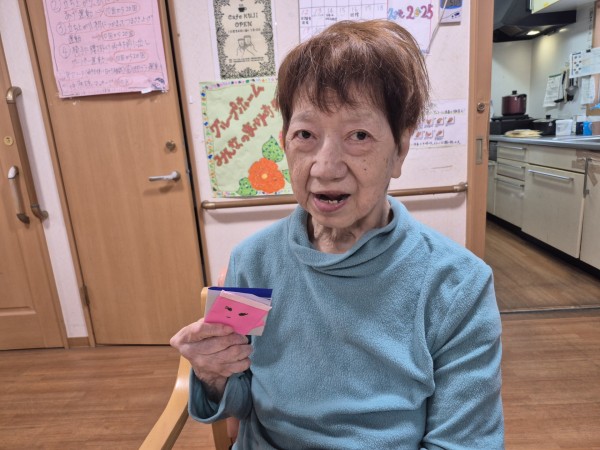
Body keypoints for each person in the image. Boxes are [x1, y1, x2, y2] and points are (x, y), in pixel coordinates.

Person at [171, 19, 504, 449]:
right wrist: (213, 374)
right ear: (285, 142)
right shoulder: (250, 262)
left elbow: (464, 442)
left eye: (358, 135)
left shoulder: (458, 285)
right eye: (306, 135)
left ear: (400, 150)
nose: (326, 168)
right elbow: (241, 399)